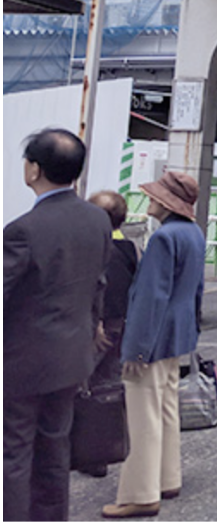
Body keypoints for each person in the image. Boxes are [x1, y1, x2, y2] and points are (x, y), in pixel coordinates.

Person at [4, 128, 112, 522]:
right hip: (71, 357)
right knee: (54, 450)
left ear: (33, 169)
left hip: (21, 362)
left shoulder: (22, 231)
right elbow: (99, 283)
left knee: (13, 454)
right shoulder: (97, 220)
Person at [102, 171, 206, 519]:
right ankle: (167, 477)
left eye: (153, 197)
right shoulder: (193, 232)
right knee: (165, 407)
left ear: (165, 203)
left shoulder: (163, 238)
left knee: (142, 414)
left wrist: (136, 348)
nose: (149, 201)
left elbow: (150, 298)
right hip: (179, 332)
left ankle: (141, 493)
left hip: (153, 334)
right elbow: (196, 290)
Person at [78, 191, 140, 478]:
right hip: (121, 325)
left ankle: (82, 450)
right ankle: (100, 452)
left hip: (98, 327)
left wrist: (97, 323)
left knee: (83, 385)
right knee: (107, 386)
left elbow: (97, 288)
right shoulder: (130, 249)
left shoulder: (95, 248)